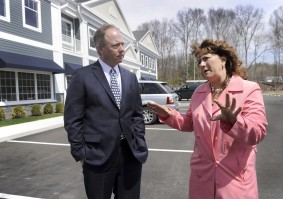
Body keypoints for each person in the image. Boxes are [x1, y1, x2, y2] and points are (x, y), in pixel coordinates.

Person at [148, 39, 267, 199]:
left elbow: (257, 133)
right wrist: (169, 115)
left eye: (206, 58)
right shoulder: (199, 92)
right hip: (202, 177)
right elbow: (189, 123)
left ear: (223, 59)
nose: (202, 65)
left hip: (234, 180)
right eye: (199, 61)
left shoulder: (249, 89)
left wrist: (234, 121)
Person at [64, 24, 148, 199]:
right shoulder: (82, 76)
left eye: (123, 44)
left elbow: (137, 115)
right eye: (116, 45)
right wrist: (81, 153)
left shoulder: (130, 78)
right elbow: (73, 119)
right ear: (100, 48)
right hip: (97, 157)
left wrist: (139, 139)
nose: (122, 49)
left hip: (130, 155)